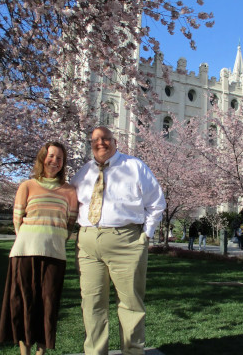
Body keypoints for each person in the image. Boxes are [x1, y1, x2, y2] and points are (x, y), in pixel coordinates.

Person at [71, 126, 166, 355]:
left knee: (131, 304)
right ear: (90, 144)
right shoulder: (83, 172)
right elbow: (71, 203)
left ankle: (133, 351)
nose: (100, 143)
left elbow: (156, 202)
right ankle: (95, 352)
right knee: (92, 304)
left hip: (126, 241)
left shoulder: (134, 166)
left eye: (105, 139)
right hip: (88, 243)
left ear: (115, 141)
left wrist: (146, 235)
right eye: (95, 140)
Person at [0, 142, 78, 355]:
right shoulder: (27, 186)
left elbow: (70, 223)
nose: (55, 161)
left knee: (48, 304)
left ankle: (41, 352)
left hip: (54, 253)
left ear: (63, 163)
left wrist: (54, 237)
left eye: (59, 158)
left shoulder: (69, 191)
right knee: (24, 303)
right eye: (51, 156)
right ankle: (24, 352)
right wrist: (33, 236)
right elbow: (18, 220)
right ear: (43, 158)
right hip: (25, 252)